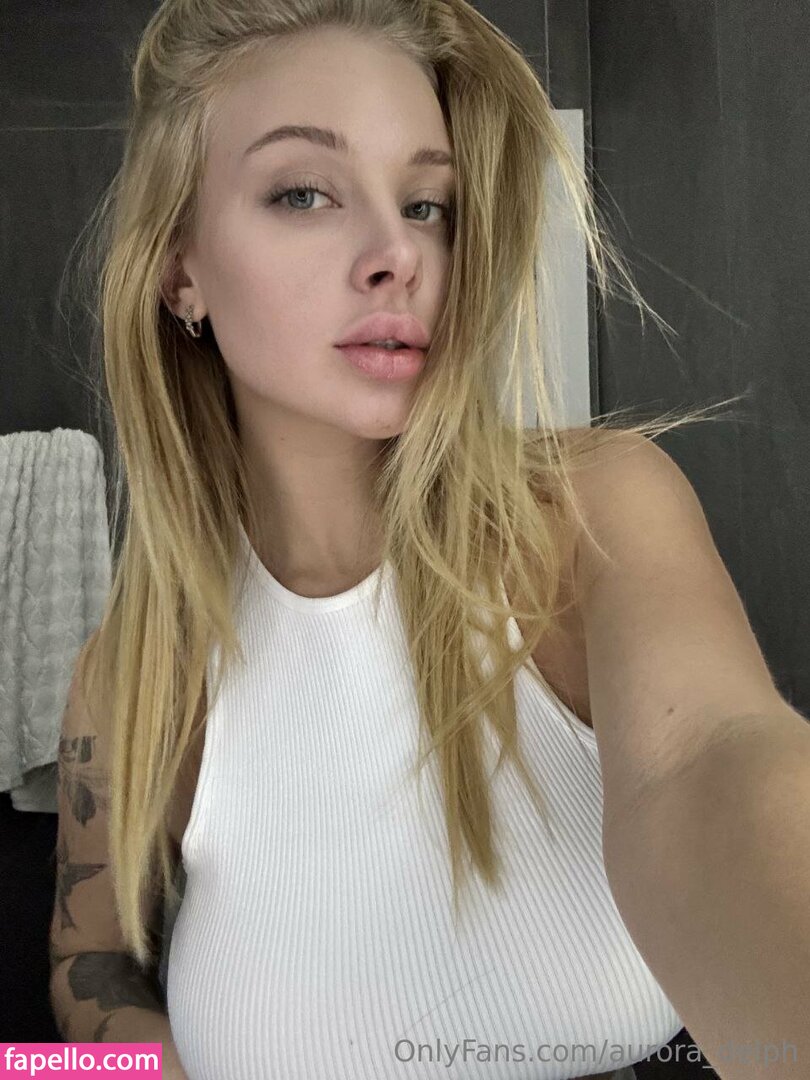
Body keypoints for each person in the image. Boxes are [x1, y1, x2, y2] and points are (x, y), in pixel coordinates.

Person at [50, 2, 771, 1078]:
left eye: (428, 204)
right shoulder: (131, 673)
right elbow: (85, 967)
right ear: (178, 268)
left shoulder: (591, 517)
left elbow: (721, 765)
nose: (399, 254)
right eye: (303, 193)